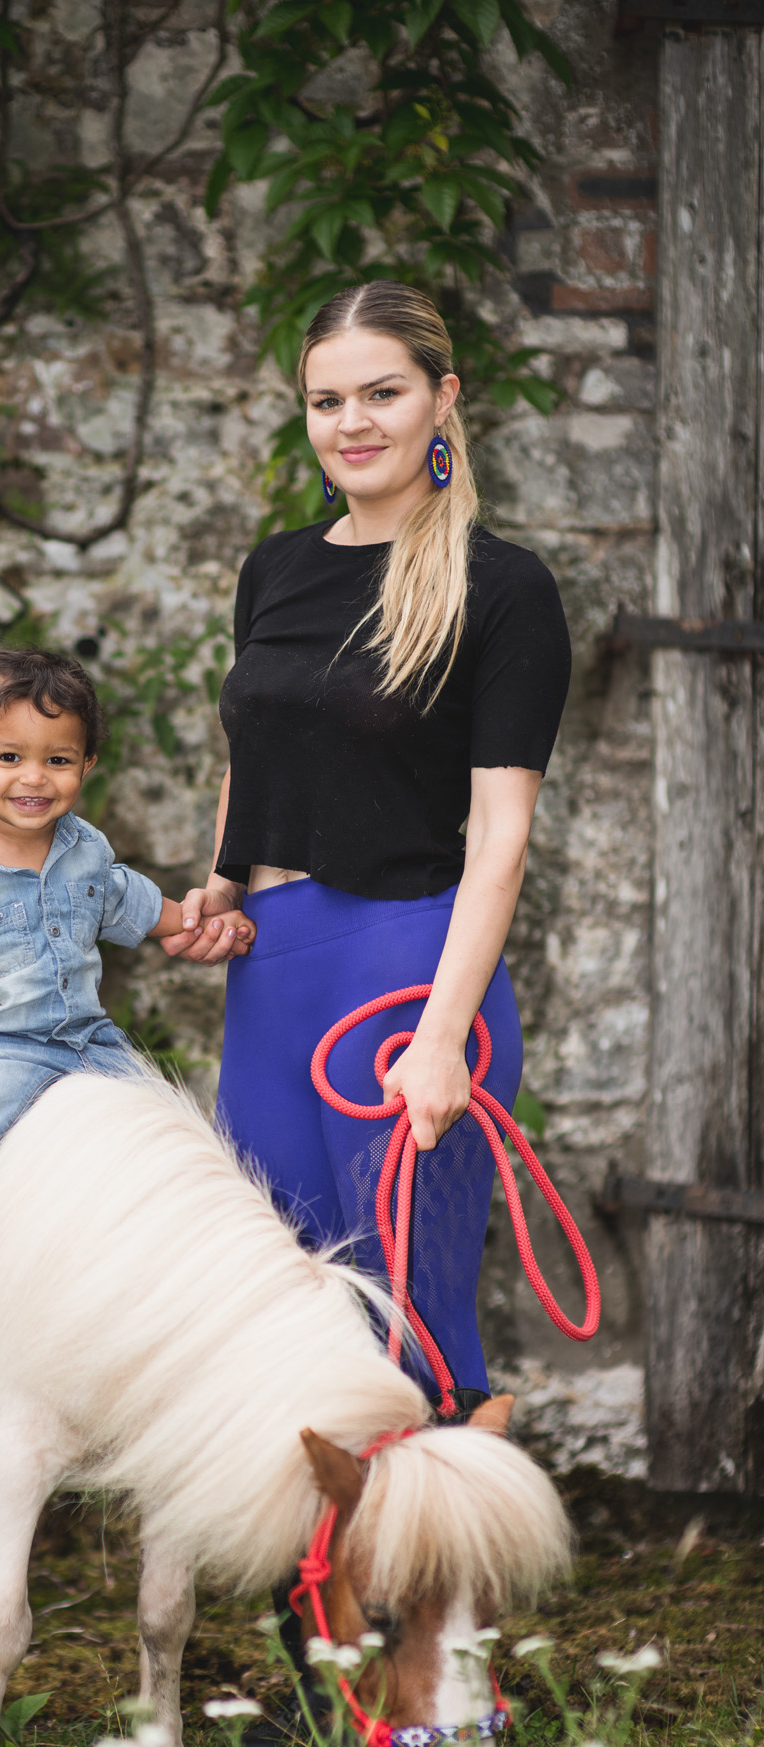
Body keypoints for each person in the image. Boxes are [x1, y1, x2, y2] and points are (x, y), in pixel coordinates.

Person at [163, 280, 571, 1414]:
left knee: (411, 1321)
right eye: (325, 399)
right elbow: (255, 744)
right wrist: (224, 882)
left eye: (382, 393)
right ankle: (314, 1589)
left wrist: (444, 1040)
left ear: (442, 398)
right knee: (276, 1311)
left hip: (407, 977)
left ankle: (426, 1582)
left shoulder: (503, 588)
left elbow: (501, 836)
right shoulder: (277, 568)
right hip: (272, 974)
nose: (353, 423)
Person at [0, 645, 254, 1321]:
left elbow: (125, 901)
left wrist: (190, 927)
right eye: (9, 757)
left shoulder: (85, 850)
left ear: (85, 766)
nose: (33, 778)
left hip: (83, 1035)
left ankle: (155, 1254)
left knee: (156, 1111)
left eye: (57, 760)